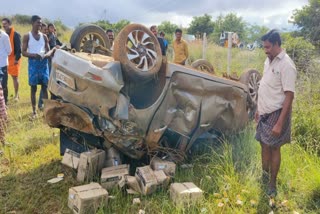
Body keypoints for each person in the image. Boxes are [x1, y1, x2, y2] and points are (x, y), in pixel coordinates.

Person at [255, 29, 297, 197]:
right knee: (263, 144)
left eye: (268, 47)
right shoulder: (269, 60)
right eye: (264, 47)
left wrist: (280, 123)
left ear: (277, 44)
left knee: (274, 147)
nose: (266, 50)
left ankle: (272, 184)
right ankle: (264, 176)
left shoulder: (287, 65)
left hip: (277, 112)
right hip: (264, 112)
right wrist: (258, 109)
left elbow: (289, 95)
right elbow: (265, 85)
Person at [22, 15, 50, 118]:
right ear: (32, 23)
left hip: (43, 63)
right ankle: (34, 112)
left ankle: (46, 111)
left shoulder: (44, 36)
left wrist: (46, 55)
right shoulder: (27, 36)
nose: (40, 24)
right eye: (38, 22)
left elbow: (48, 50)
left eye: (41, 23)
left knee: (45, 87)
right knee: (33, 88)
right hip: (33, 64)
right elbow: (23, 52)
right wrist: (34, 55)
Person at [2, 18, 22, 101]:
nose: (4, 25)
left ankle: (16, 95)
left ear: (9, 24)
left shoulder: (16, 34)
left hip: (14, 58)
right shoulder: (3, 34)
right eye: (3, 24)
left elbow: (19, 48)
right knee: (4, 78)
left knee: (14, 77)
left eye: (5, 23)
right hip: (5, 58)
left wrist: (17, 59)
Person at [0, 26, 11, 106]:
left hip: (2, 63)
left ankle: (5, 102)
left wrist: (2, 55)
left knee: (3, 84)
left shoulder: (4, 36)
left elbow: (9, 51)